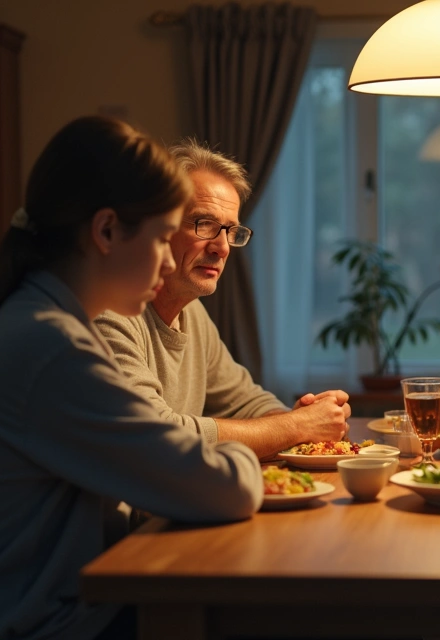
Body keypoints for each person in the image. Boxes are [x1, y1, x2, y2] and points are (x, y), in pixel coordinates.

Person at [0, 116, 263, 640]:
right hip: (28, 627)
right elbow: (225, 488)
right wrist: (241, 453)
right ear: (106, 232)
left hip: (53, 609)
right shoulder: (51, 348)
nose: (167, 259)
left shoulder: (40, 322)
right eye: (161, 235)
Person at [94, 139, 349, 460]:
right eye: (205, 225)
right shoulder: (110, 311)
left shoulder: (193, 313)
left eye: (231, 231)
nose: (222, 247)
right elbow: (155, 434)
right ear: (162, 224)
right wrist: (296, 427)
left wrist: (302, 416)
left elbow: (246, 401)